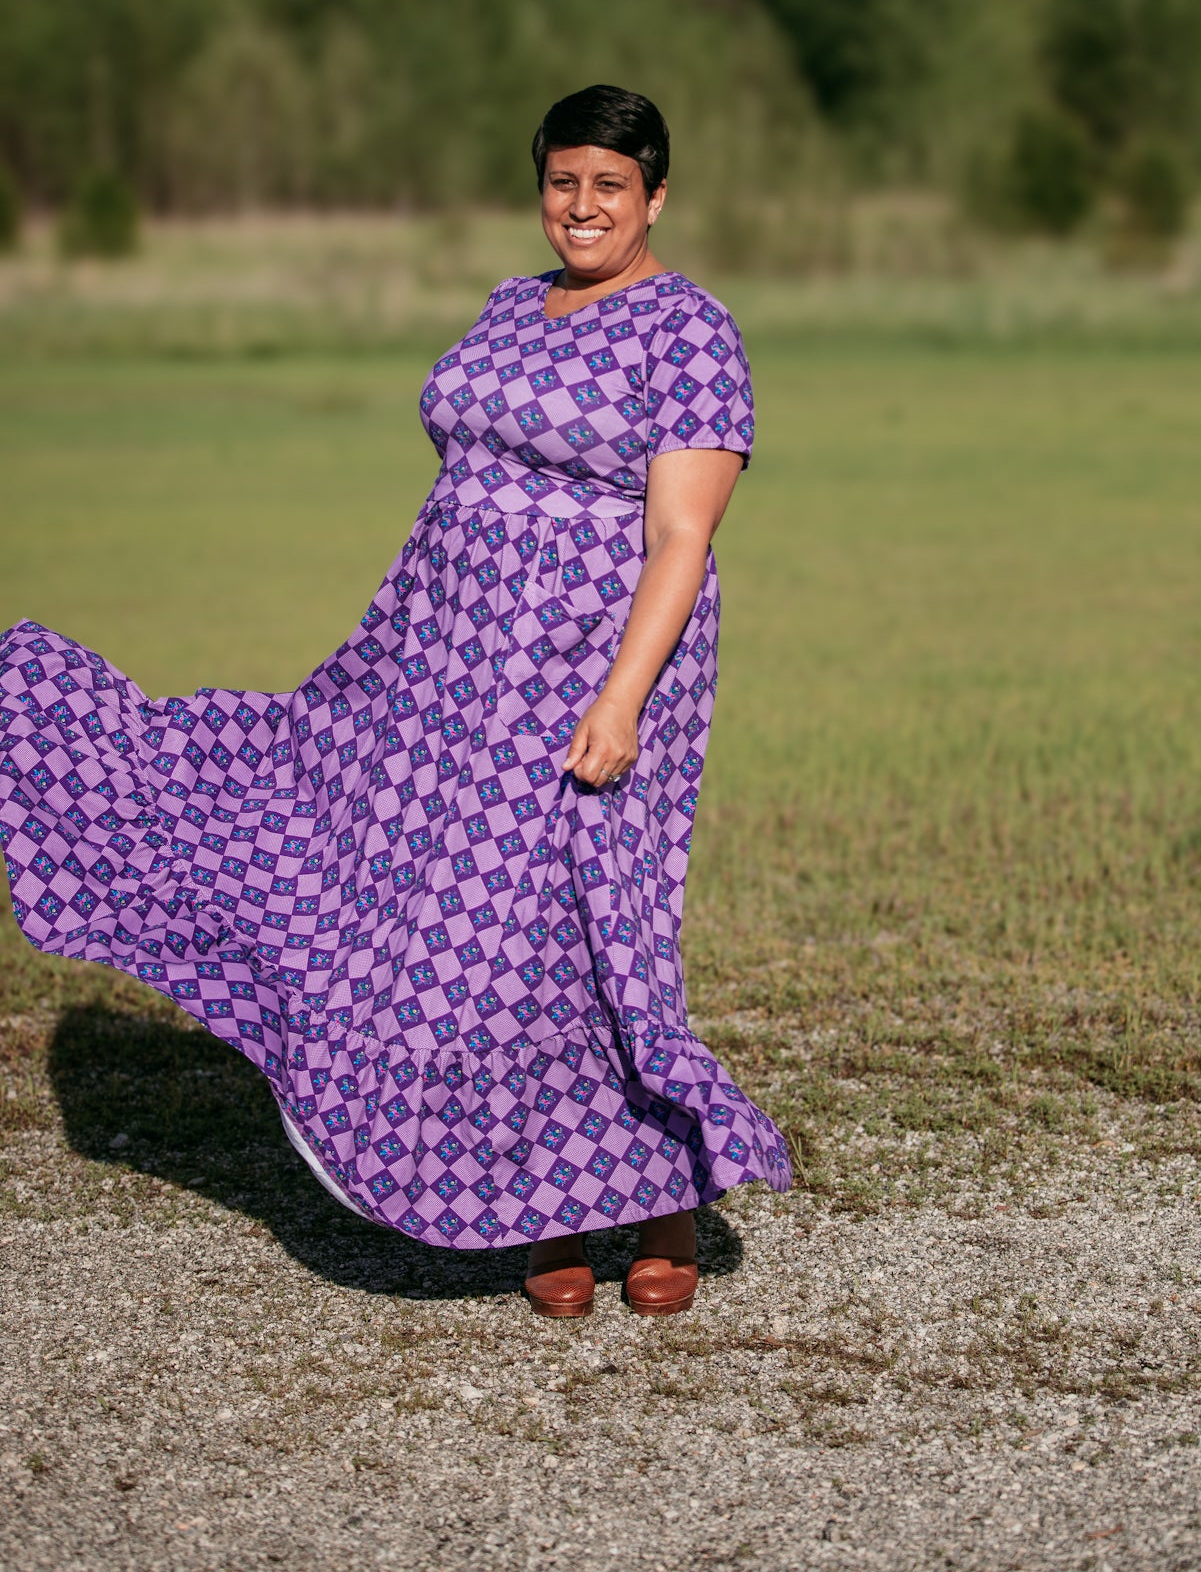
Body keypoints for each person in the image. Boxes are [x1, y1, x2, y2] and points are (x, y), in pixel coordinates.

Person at [0, 84, 790, 1320]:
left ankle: (667, 1196)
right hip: (439, 663)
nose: (581, 206)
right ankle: (556, 1200)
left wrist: (622, 698)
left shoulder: (689, 331)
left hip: (588, 661)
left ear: (657, 197)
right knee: (441, 922)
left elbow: (681, 538)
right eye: (562, 180)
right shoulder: (507, 305)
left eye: (610, 186)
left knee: (582, 921)